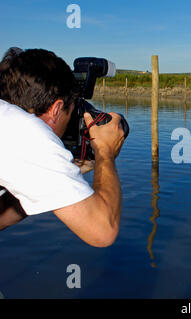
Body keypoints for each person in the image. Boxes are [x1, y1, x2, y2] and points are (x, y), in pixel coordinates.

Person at [0, 48, 125, 247]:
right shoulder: (27, 132)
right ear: (57, 109)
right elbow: (103, 230)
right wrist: (105, 152)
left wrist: (47, 186)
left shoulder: (7, 123)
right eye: (71, 113)